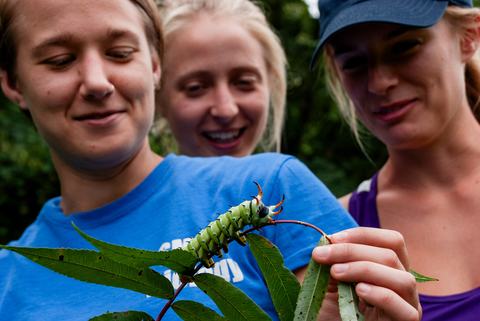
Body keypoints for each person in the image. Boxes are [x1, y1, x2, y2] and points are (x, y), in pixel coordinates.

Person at [0, 0, 420, 320]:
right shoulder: (8, 276)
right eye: (59, 60)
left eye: (120, 52)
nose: (96, 82)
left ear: (154, 64)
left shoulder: (276, 183)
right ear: (12, 81)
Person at [311, 0, 480, 320]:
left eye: (404, 47)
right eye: (354, 63)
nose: (379, 83)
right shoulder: (338, 235)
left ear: (469, 36)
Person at [155, 0, 287, 157]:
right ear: (158, 97)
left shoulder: (293, 180)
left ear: (270, 82)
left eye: (244, 82)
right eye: (195, 88)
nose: (226, 111)